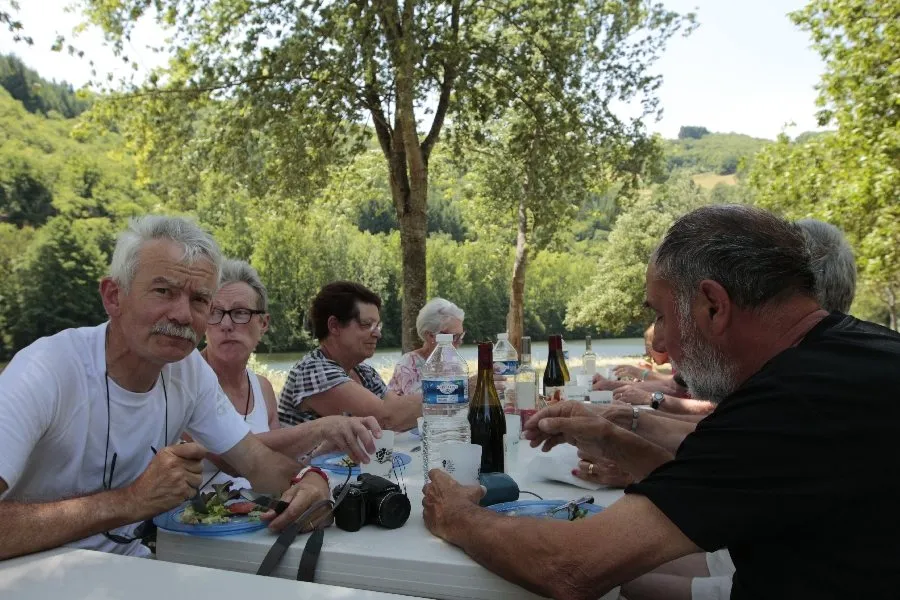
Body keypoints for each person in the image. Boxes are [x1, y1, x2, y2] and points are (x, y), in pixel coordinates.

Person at [421, 205, 900, 599]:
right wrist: (611, 438)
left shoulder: (788, 405)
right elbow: (707, 491)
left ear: (713, 305)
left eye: (663, 315)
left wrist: (457, 516)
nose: (663, 343)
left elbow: (570, 568)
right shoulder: (855, 355)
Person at [0, 216, 345, 561]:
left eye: (199, 300)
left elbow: (255, 461)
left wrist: (310, 481)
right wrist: (132, 501)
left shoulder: (189, 371)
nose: (182, 315)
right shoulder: (46, 370)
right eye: (163, 291)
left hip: (134, 570)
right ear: (113, 296)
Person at [199, 259, 381, 491]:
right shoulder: (188, 377)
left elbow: (269, 464)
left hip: (254, 517)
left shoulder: (262, 388)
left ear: (263, 323)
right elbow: (229, 457)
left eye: (240, 313)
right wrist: (322, 428)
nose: (225, 324)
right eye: (214, 312)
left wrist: (317, 453)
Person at [278, 281, 422, 431]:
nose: (378, 334)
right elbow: (387, 418)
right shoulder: (313, 370)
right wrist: (443, 392)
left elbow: (398, 410)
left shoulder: (364, 372)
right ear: (334, 326)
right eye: (366, 324)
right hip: (313, 456)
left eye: (378, 326)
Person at [388, 298, 465, 396]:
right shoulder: (409, 364)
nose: (460, 341)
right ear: (430, 335)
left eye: (461, 335)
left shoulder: (451, 362)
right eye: (454, 336)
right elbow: (426, 402)